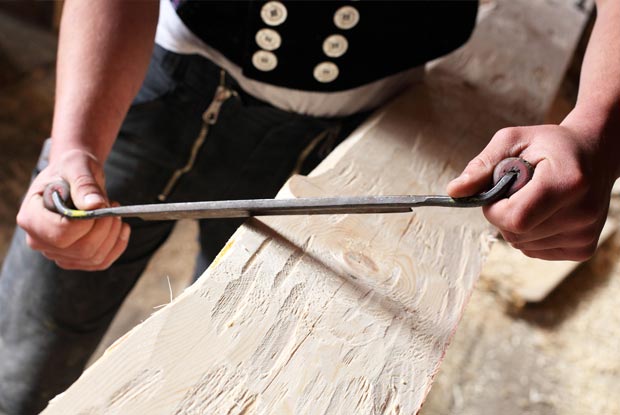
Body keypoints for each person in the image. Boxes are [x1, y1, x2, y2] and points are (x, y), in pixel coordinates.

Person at [0, 0, 618, 413]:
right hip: (147, 81)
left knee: (234, 350)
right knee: (32, 339)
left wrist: (596, 127)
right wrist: (74, 144)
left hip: (362, 122)